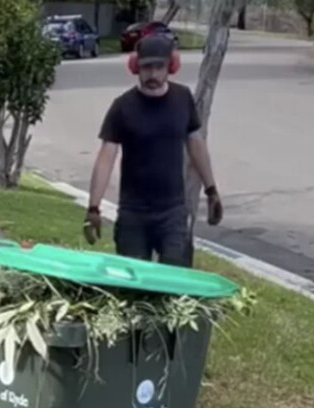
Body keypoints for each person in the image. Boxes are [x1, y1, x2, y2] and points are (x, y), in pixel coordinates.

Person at [83, 34, 223, 268]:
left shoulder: (182, 98)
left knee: (175, 283)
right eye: (147, 68)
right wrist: (93, 208)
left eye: (160, 67)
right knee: (135, 287)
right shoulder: (122, 107)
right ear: (136, 67)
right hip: (133, 214)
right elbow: (106, 157)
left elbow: (196, 144)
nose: (153, 75)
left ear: (172, 66)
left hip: (173, 212)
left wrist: (211, 190)